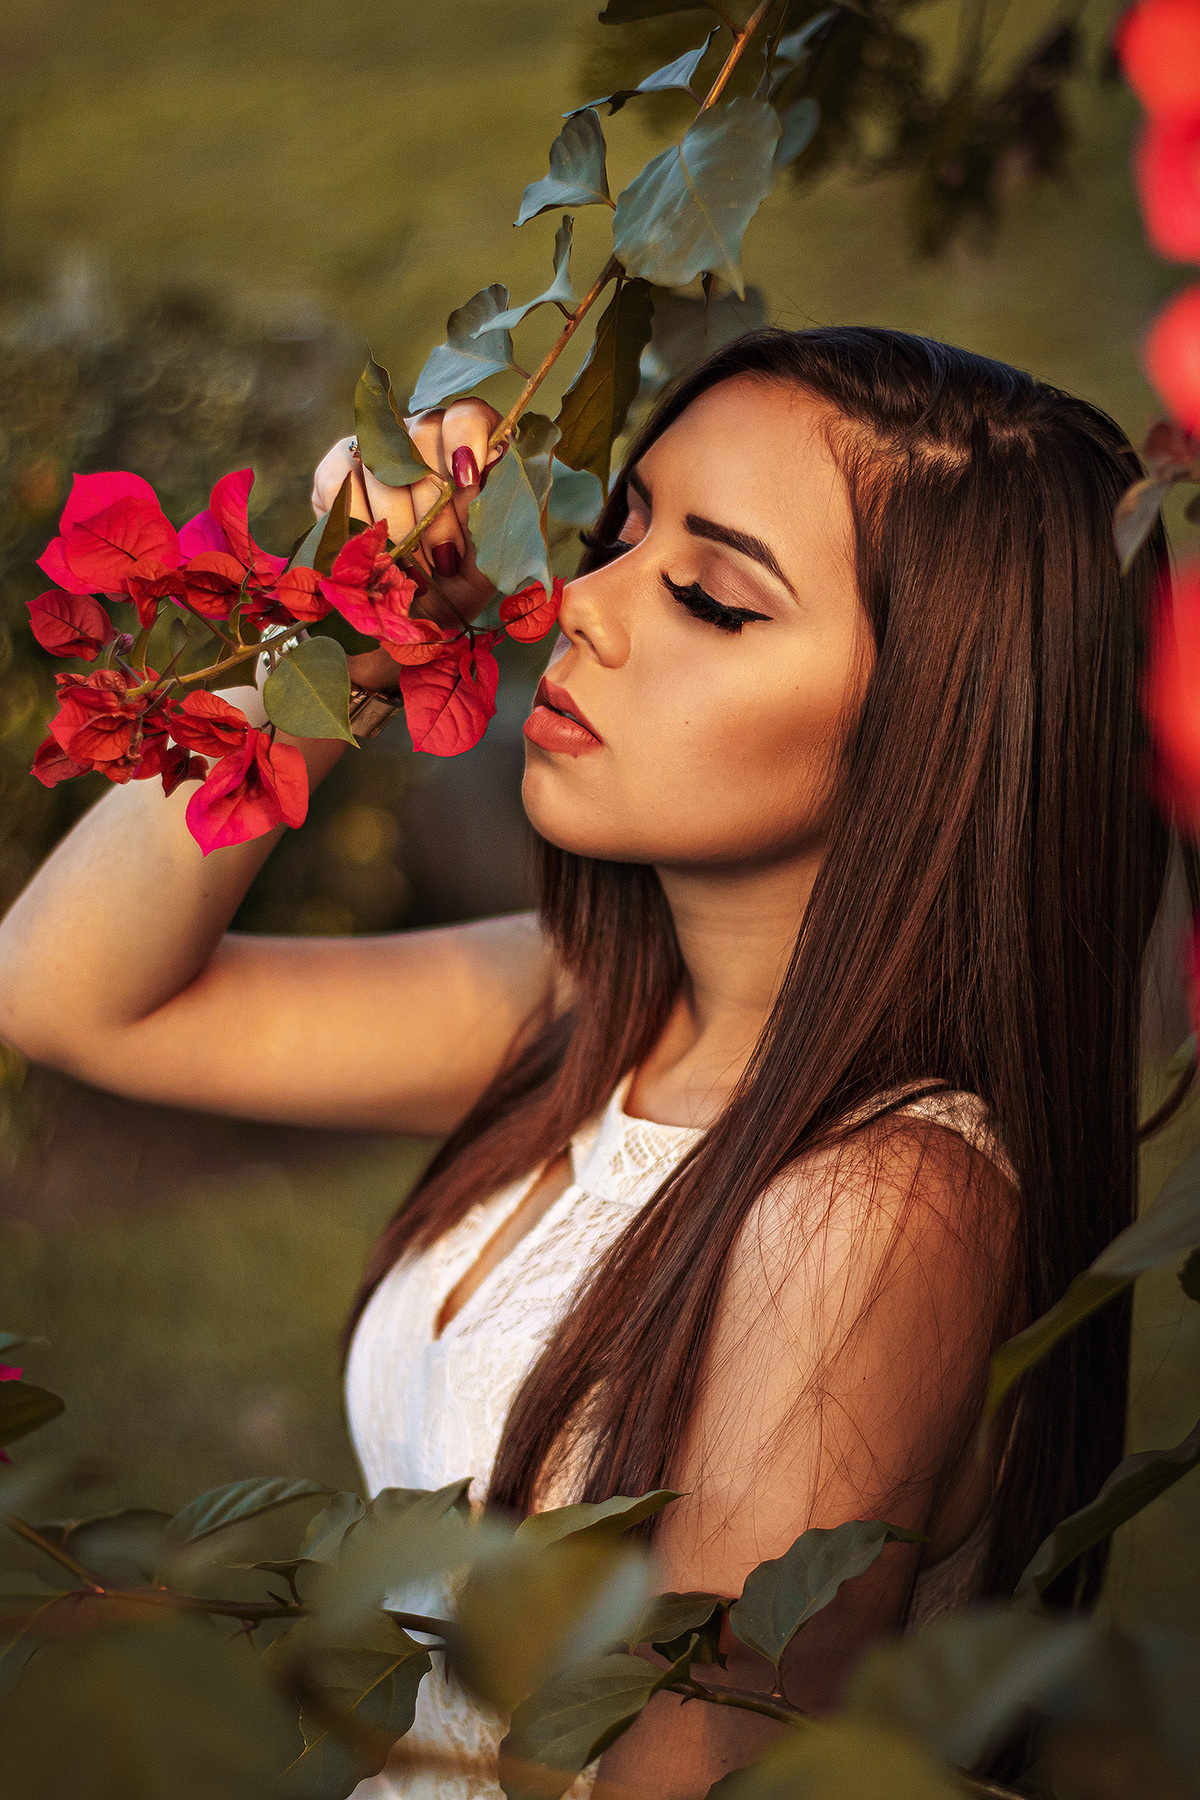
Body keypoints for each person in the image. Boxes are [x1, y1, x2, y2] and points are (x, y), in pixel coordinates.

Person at [0, 327, 1189, 1799]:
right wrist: (337, 619)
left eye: (707, 594)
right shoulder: (600, 1002)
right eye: (620, 534)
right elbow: (68, 991)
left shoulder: (881, 1211)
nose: (577, 603)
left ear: (939, 735)